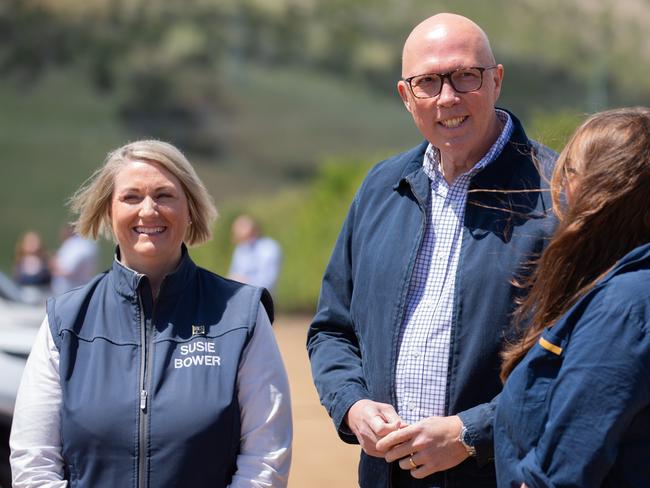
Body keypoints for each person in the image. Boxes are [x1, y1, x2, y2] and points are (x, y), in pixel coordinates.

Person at [307, 12, 556, 488]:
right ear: (406, 96)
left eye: (465, 76)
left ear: (497, 80)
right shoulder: (381, 188)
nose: (448, 97)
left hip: (503, 474)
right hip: (386, 476)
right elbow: (332, 330)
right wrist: (353, 405)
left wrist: (471, 433)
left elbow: (579, 358)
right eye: (428, 82)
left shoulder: (557, 194)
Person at [10, 140, 292, 487]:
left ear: (190, 208)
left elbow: (266, 458)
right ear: (108, 211)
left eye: (164, 195)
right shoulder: (65, 320)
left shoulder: (242, 314)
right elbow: (33, 460)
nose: (148, 210)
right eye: (131, 197)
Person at [495, 107, 650, 487]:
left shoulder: (623, 309)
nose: (559, 185)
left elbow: (563, 472)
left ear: (599, 191)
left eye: (569, 172)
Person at [228, 214, 282, 293]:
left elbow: (268, 282)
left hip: (261, 299)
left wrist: (244, 281)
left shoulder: (269, 248)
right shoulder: (240, 249)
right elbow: (232, 275)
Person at [50, 223, 99, 295]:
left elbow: (69, 271)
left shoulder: (77, 246)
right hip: (77, 289)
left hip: (71, 291)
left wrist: (54, 265)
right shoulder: (90, 244)